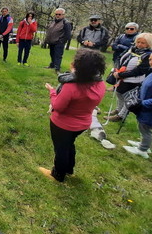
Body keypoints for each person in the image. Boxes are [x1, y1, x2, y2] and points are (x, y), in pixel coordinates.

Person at [40, 49, 106, 182]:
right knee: (69, 144)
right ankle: (69, 170)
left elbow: (58, 107)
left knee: (61, 149)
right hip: (82, 124)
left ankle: (58, 175)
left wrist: (52, 92)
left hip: (63, 125)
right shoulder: (100, 84)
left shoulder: (71, 86)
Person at [123, 51, 152, 159]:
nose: (151, 62)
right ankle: (143, 143)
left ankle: (143, 149)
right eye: (150, 59)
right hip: (144, 107)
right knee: (142, 125)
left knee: (146, 129)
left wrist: (143, 104)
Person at [104, 33, 152, 122]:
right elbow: (120, 57)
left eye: (143, 43)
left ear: (149, 44)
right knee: (119, 93)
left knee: (128, 98)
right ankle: (118, 109)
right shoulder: (132, 49)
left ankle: (121, 116)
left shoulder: (148, 55)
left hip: (134, 80)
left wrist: (121, 75)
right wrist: (118, 70)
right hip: (121, 76)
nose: (139, 44)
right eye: (138, 42)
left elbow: (140, 71)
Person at [44, 8, 72, 73]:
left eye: (59, 14)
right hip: (51, 41)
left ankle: (57, 68)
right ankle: (52, 65)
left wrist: (61, 41)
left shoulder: (66, 23)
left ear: (63, 15)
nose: (57, 15)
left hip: (59, 42)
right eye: (56, 14)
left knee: (58, 55)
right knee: (52, 54)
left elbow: (68, 35)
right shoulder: (53, 21)